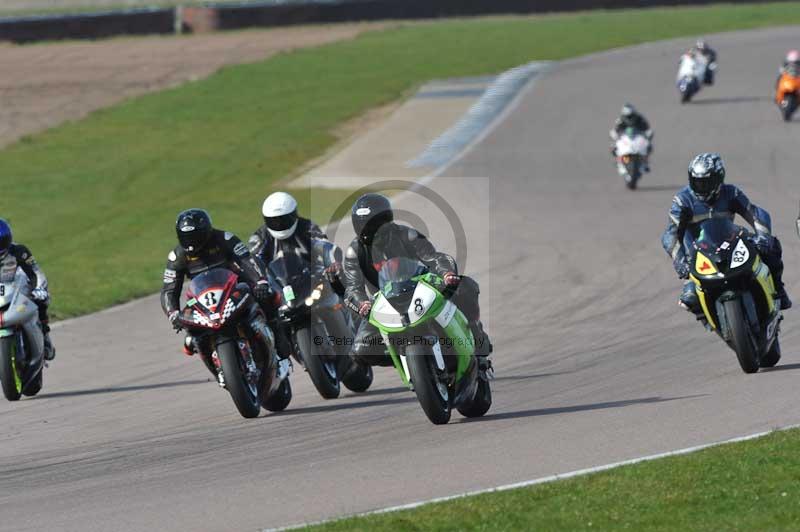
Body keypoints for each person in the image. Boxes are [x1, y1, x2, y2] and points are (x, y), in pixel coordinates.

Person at [341, 193, 492, 373]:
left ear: (387, 220)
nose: (371, 229)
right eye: (365, 225)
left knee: (465, 286)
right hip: (383, 303)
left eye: (376, 223)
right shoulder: (354, 252)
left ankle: (477, 337)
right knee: (360, 350)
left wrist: (447, 274)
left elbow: (434, 258)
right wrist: (361, 304)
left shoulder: (407, 234)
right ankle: (408, 356)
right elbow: (352, 288)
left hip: (420, 288)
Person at [661, 153, 791, 320]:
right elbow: (670, 235)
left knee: (772, 248)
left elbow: (755, 213)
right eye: (697, 181)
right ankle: (708, 318)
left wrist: (763, 237)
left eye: (707, 182)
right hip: (697, 254)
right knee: (689, 299)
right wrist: (679, 261)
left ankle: (778, 290)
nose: (701, 186)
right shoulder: (682, 200)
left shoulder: (731, 193)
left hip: (729, 242)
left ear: (719, 178)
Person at [160, 209, 280, 381]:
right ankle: (208, 354)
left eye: (195, 236)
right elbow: (169, 289)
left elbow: (247, 260)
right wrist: (173, 313)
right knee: (190, 336)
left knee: (268, 296)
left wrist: (260, 281)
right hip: (203, 298)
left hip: (234, 286)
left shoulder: (225, 239)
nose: (191, 242)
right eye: (187, 237)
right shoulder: (177, 256)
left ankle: (280, 340)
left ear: (207, 231)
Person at [248, 191, 343, 293]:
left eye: (284, 219)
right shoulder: (259, 237)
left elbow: (323, 244)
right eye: (274, 221)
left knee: (338, 281)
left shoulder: (308, 227)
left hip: (312, 279)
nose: (279, 224)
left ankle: (350, 304)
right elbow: (254, 262)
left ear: (294, 214)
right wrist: (261, 283)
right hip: (278, 287)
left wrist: (332, 262)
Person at [0, 219, 55, 361]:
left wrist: (39, 288)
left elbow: (35, 271)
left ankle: (45, 334)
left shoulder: (19, 251)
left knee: (42, 299)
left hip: (18, 289)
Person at [610, 103, 653, 172]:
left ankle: (645, 163)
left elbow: (646, 127)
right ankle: (619, 162)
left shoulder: (639, 118)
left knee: (648, 146)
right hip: (625, 139)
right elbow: (616, 129)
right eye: (628, 116)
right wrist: (614, 134)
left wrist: (648, 133)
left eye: (631, 116)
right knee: (614, 147)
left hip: (637, 137)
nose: (629, 118)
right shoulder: (621, 120)